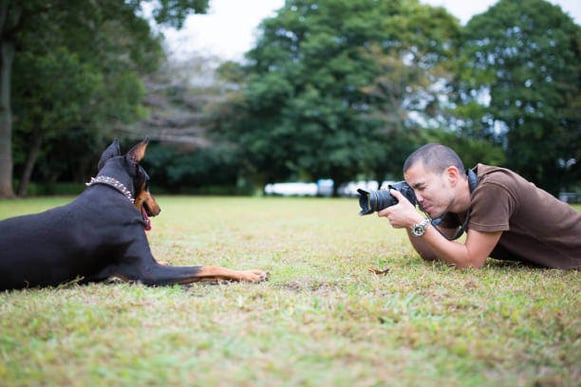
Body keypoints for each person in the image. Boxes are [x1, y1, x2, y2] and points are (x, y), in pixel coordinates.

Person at [379, 143, 581, 269]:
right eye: (413, 191)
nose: (418, 198)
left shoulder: (493, 187)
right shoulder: (454, 201)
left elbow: (469, 263)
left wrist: (417, 221)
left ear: (451, 175)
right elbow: (432, 254)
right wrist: (409, 219)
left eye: (421, 187)